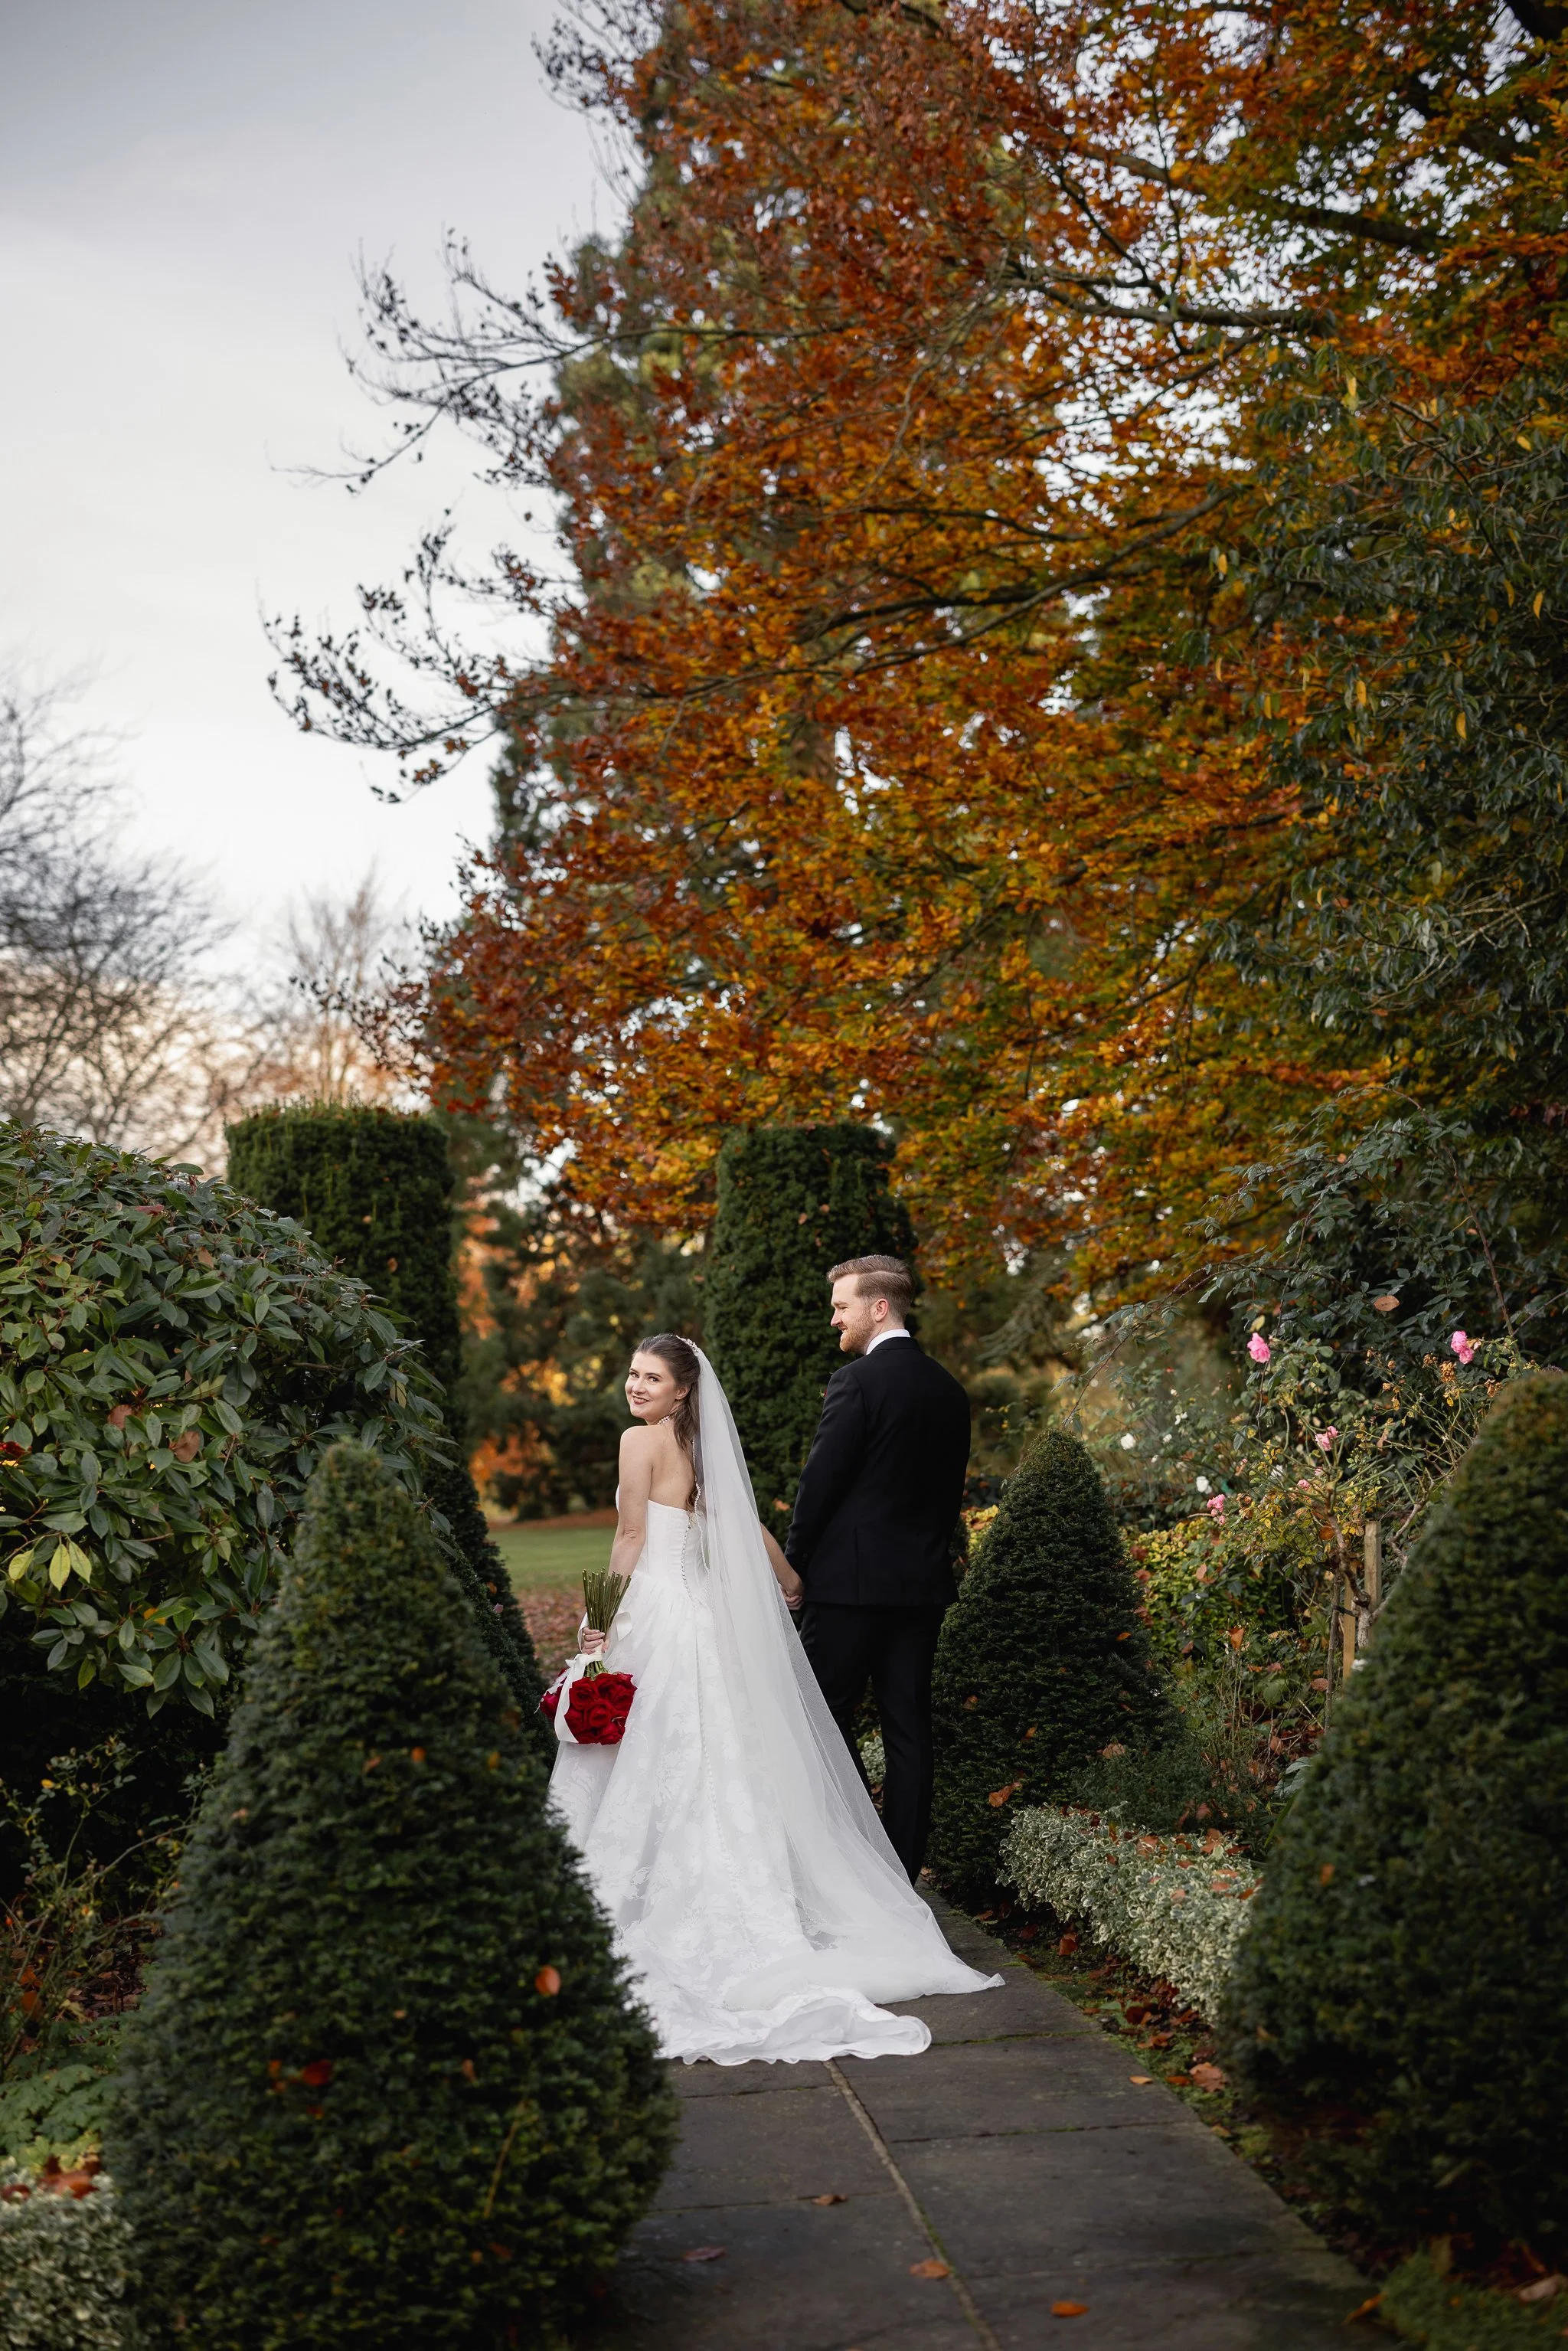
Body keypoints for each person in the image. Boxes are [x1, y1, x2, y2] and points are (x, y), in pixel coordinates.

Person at [547, 1332, 998, 2066]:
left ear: (682, 1389)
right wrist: (790, 1579)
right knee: (719, 1758)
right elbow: (742, 1524)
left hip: (656, 1616)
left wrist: (602, 1616)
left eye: (651, 1377)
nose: (635, 1387)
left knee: (651, 1752)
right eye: (632, 1374)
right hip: (704, 1625)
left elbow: (630, 1535)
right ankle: (742, 1895)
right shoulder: (701, 1450)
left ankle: (647, 1892)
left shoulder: (640, 1444)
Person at [787, 1256, 970, 1882]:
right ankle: (898, 1872)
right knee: (909, 1730)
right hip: (919, 1589)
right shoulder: (948, 1388)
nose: (834, 1317)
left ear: (879, 1307)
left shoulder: (855, 1383)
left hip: (847, 1589)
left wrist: (795, 1566)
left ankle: (844, 1864)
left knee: (817, 1716)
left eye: (842, 1306)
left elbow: (820, 1487)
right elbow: (948, 1500)